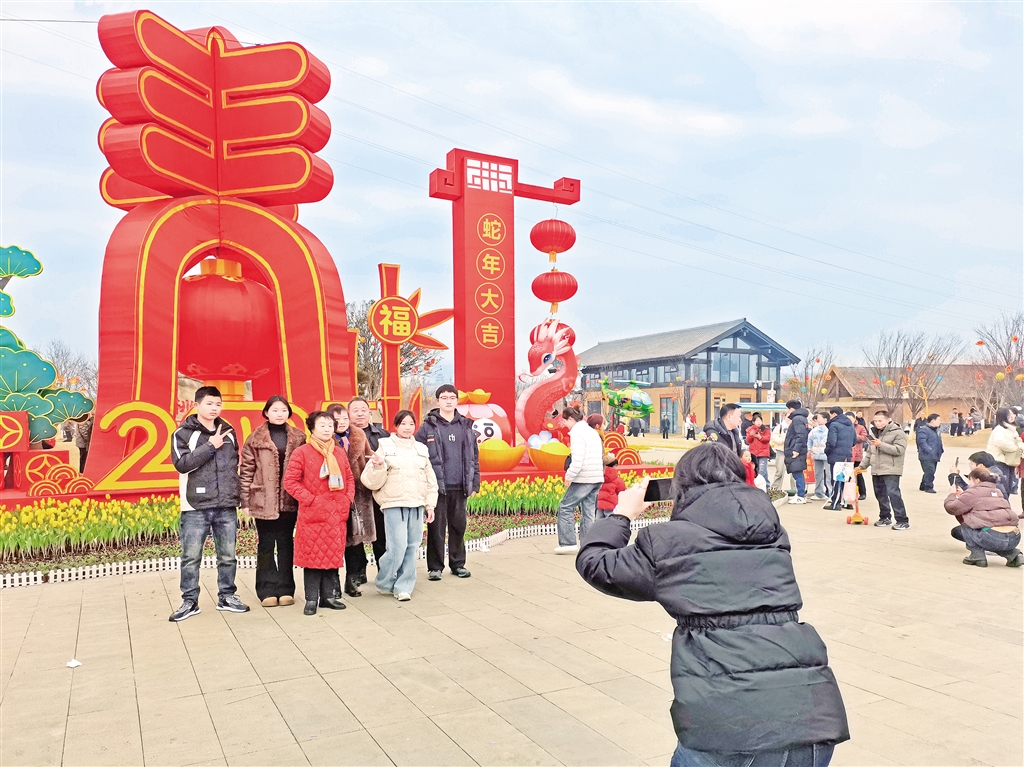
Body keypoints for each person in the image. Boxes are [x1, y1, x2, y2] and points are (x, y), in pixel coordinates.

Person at [577, 444, 849, 766]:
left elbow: (596, 563)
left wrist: (622, 514)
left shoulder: (666, 541)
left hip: (730, 731)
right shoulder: (772, 532)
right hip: (812, 720)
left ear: (681, 487)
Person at [168, 386, 249, 621]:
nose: (214, 408)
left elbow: (233, 467)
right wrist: (210, 446)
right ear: (197, 405)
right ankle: (189, 601)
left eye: (218, 404)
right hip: (195, 506)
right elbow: (182, 464)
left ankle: (227, 596)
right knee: (191, 558)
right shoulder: (183, 433)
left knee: (228, 556)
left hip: (225, 505)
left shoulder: (229, 432)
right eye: (209, 404)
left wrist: (236, 497)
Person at [283, 410, 355, 615]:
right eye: (322, 425)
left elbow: (349, 478)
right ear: (312, 428)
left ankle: (328, 597)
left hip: (337, 514)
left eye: (330, 425)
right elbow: (290, 482)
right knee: (313, 559)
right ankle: (311, 599)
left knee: (332, 557)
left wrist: (347, 499)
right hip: (313, 514)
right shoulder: (302, 452)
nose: (327, 429)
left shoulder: (338, 453)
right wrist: (311, 500)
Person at [360, 410, 438, 601]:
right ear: (395, 426)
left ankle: (404, 586)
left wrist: (430, 505)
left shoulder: (421, 449)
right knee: (397, 547)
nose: (407, 427)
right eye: (403, 423)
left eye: (411, 424)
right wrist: (378, 466)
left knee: (412, 547)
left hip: (417, 504)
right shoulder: (384, 446)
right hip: (394, 504)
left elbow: (430, 480)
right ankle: (385, 581)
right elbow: (369, 481)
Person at [239, 396, 305, 607]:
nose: (279, 414)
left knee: (286, 543)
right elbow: (247, 470)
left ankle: (286, 589)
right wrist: (245, 501)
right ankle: (266, 589)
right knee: (266, 544)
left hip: (289, 499)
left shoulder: (299, 437)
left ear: (289, 413)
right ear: (266, 412)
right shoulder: (255, 438)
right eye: (275, 410)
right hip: (263, 499)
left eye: (283, 410)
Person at [417, 384, 480, 581]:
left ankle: (458, 564)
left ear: (457, 400)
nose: (448, 401)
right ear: (437, 401)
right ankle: (435, 567)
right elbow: (418, 457)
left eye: (452, 397)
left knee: (458, 527)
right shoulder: (428, 427)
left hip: (460, 487)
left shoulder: (466, 426)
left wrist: (474, 483)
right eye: (444, 398)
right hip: (437, 488)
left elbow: (474, 457)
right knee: (436, 529)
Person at [327, 404, 374, 598]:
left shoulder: (359, 436)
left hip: (358, 496)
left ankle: (352, 580)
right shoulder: (324, 439)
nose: (341, 422)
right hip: (333, 496)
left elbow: (369, 460)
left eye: (345, 418)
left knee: (355, 540)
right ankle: (332, 584)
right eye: (336, 419)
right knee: (334, 541)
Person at [943, 467, 1023, 567]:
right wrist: (963, 495)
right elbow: (982, 502)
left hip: (992, 536)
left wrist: (951, 495)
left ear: (977, 480)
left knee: (969, 527)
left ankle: (977, 556)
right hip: (1014, 536)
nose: (969, 484)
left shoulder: (973, 492)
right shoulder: (997, 491)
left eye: (970, 480)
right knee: (992, 532)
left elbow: (952, 508)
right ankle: (1014, 555)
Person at [347, 398, 390, 580]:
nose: (360, 413)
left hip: (378, 492)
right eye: (355, 410)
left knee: (381, 533)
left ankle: (385, 572)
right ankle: (357, 573)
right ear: (348, 414)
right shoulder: (344, 435)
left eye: (363, 410)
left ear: (369, 413)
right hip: (355, 492)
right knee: (355, 533)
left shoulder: (383, 435)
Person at [554, 406, 604, 554]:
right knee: (588, 512)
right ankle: (587, 544)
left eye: (565, 420)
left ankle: (568, 543)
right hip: (596, 476)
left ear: (571, 419)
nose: (564, 424)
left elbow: (578, 460)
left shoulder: (577, 433)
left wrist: (569, 476)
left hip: (584, 477)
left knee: (565, 507)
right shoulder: (591, 431)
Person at [861, 410, 910, 530]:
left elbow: (899, 450)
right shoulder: (874, 433)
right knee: (880, 494)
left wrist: (881, 445)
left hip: (891, 469)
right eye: (875, 421)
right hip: (876, 469)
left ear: (888, 420)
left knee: (894, 494)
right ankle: (885, 517)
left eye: (880, 421)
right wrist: (861, 466)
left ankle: (902, 520)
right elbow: (870, 453)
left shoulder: (898, 433)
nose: (877, 423)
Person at [986, 408, 1023, 500]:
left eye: (1013, 414)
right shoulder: (999, 429)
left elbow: (1018, 441)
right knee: (1003, 487)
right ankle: (1002, 505)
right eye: (1009, 415)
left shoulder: (1011, 429)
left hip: (1009, 461)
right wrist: (1015, 449)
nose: (1012, 416)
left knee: (1009, 487)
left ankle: (1004, 504)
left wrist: (1021, 448)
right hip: (999, 462)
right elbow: (1001, 442)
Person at [824, 406, 855, 510]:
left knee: (837, 479)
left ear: (834, 414)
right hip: (847, 455)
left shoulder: (834, 425)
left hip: (836, 455)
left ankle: (836, 503)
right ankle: (847, 502)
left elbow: (831, 442)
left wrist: (826, 450)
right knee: (846, 479)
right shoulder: (850, 425)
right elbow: (854, 441)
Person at [784, 400, 810, 504]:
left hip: (796, 449)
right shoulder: (802, 418)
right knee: (797, 472)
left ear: (791, 409)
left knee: (797, 473)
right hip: (798, 448)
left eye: (788, 409)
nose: (787, 411)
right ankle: (800, 494)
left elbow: (801, 435)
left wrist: (796, 449)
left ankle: (801, 495)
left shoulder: (797, 419)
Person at [916, 413, 944, 494]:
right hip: (926, 455)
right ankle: (928, 487)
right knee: (930, 471)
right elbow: (921, 442)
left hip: (935, 455)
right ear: (932, 421)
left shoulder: (936, 430)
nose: (940, 422)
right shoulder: (923, 430)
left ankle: (923, 485)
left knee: (930, 471)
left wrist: (941, 450)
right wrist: (929, 450)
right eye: (938, 420)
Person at [807, 412, 831, 500]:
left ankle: (831, 494)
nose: (817, 419)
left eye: (820, 417)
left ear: (825, 419)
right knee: (818, 474)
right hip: (816, 455)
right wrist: (809, 450)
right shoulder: (814, 430)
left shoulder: (829, 430)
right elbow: (809, 440)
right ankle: (819, 493)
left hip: (826, 455)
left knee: (829, 475)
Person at [745, 413, 771, 488]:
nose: (759, 422)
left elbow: (767, 439)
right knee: (754, 469)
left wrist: (760, 437)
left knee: (762, 470)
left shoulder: (766, 429)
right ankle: (756, 485)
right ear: (753, 422)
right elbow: (747, 441)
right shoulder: (750, 429)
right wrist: (750, 435)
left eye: (760, 420)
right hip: (753, 453)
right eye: (757, 421)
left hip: (763, 453)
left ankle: (766, 485)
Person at [597, 453, 626, 520]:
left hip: (599, 504)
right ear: (614, 466)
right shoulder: (617, 480)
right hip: (611, 505)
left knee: (600, 521)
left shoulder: (599, 476)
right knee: (610, 521)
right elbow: (622, 491)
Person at [847, 412, 868, 501]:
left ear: (854, 419)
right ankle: (848, 493)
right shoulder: (844, 427)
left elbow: (864, 437)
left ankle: (862, 493)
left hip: (857, 454)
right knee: (847, 474)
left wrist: (854, 435)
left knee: (858, 474)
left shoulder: (860, 427)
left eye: (850, 418)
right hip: (847, 454)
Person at [770, 417, 794, 494]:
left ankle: (795, 489)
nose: (789, 418)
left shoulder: (795, 426)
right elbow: (774, 437)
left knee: (794, 472)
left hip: (792, 451)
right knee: (779, 471)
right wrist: (782, 441)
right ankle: (775, 489)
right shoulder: (779, 426)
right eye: (788, 416)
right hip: (781, 450)